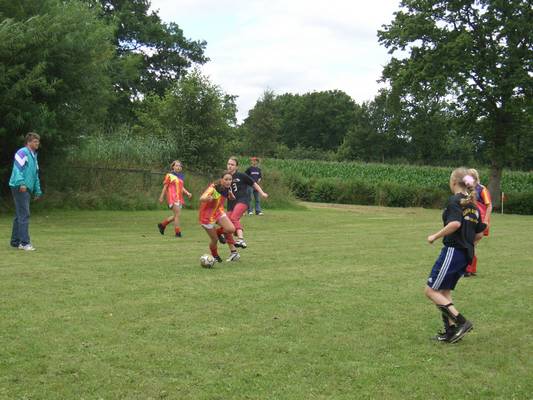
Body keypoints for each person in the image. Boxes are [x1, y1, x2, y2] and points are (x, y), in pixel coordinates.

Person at [425, 168, 486, 343]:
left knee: (430, 290)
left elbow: (454, 224)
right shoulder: (473, 206)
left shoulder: (455, 201)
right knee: (444, 292)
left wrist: (434, 236)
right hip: (466, 254)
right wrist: (468, 246)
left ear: (453, 183)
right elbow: (480, 233)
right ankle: (450, 331)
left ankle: (462, 322)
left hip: (453, 250)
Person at [217, 156, 268, 249]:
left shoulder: (241, 175)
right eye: (228, 164)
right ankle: (231, 249)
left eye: (232, 165)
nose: (230, 166)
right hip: (231, 205)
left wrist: (262, 193)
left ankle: (241, 239)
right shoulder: (224, 178)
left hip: (243, 201)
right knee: (225, 225)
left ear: (236, 167)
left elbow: (254, 184)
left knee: (234, 218)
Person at [9, 132, 42, 251]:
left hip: (27, 187)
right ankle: (24, 243)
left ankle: (15, 242)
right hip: (19, 186)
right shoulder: (22, 152)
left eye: (38, 141)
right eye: (34, 141)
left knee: (20, 215)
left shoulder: (34, 155)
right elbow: (17, 169)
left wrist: (37, 190)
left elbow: (35, 174)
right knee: (24, 214)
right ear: (28, 142)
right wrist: (21, 183)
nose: (37, 143)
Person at [199, 171, 240, 262]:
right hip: (207, 216)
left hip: (218, 212)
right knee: (214, 240)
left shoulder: (227, 188)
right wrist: (207, 198)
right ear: (221, 180)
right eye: (226, 179)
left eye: (230, 179)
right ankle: (215, 255)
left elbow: (227, 195)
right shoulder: (213, 188)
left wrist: (231, 195)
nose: (228, 181)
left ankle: (218, 232)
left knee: (231, 229)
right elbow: (202, 198)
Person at [464, 168, 492, 277]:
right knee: (472, 245)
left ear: (475, 178)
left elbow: (489, 205)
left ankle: (468, 269)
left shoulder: (482, 189)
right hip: (470, 221)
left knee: (471, 244)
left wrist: (486, 221)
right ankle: (471, 269)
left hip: (480, 222)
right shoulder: (467, 190)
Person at [158, 160, 192, 237]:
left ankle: (162, 225)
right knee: (177, 215)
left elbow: (181, 187)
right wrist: (161, 196)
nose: (178, 167)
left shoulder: (180, 176)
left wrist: (187, 193)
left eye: (180, 166)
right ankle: (178, 233)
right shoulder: (169, 175)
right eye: (176, 165)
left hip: (179, 198)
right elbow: (165, 186)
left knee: (176, 215)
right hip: (172, 197)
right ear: (173, 167)